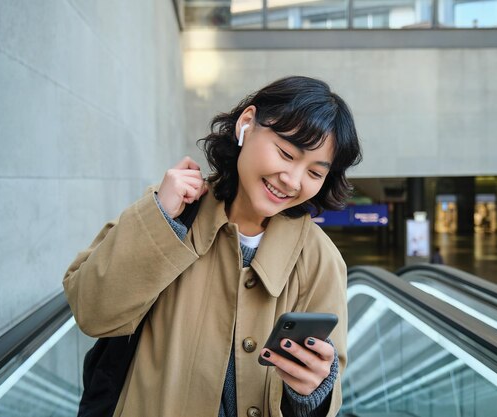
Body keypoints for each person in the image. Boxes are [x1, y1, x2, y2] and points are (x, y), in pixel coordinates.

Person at [63, 76, 362, 417]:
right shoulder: (173, 212)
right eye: (286, 153)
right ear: (247, 122)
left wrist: (314, 390)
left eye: (315, 173)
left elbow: (327, 391)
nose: (292, 181)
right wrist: (160, 216)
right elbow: (91, 311)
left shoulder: (320, 259)